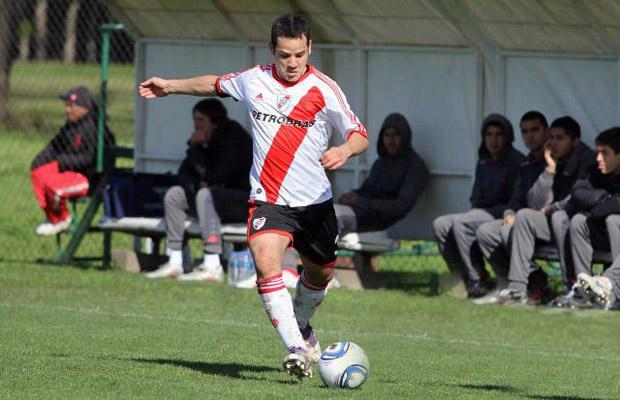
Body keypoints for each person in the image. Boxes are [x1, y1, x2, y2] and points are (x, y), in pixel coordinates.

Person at [139, 14, 368, 380]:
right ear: (272, 51)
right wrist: (171, 86)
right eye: (284, 55)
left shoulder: (325, 90)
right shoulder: (254, 80)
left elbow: (359, 134)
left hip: (315, 206)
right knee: (265, 261)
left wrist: (344, 150)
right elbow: (212, 84)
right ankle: (297, 349)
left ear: (309, 48)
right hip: (269, 201)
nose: (292, 63)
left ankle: (303, 323)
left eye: (298, 55)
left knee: (321, 274)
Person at [145, 99, 253, 281]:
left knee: (206, 194)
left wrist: (198, 156)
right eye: (195, 119)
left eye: (201, 119)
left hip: (244, 203)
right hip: (212, 201)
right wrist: (195, 150)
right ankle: (175, 261)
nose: (196, 124)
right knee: (175, 195)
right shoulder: (203, 141)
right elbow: (184, 174)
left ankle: (212, 265)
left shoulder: (233, 137)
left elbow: (218, 176)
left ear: (214, 120)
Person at [498, 116, 595, 304]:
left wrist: (550, 209)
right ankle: (517, 288)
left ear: (575, 141)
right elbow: (533, 203)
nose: (553, 143)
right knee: (524, 216)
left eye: (560, 138)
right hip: (554, 222)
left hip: (583, 224)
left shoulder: (588, 160)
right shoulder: (551, 159)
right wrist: (549, 169)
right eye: (551, 137)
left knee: (559, 217)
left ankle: (572, 286)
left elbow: (578, 198)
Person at [433, 113, 525, 298]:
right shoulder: (483, 161)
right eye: (489, 135)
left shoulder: (517, 161)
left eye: (498, 134)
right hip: (481, 211)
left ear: (508, 137)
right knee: (441, 224)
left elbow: (515, 201)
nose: (494, 140)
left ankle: (479, 279)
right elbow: (476, 197)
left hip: (503, 213)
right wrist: (479, 207)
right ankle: (460, 278)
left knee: (462, 223)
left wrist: (487, 208)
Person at [474, 111, 549, 304]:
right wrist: (509, 212)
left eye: (535, 130)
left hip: (547, 223)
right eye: (525, 131)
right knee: (486, 231)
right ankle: (505, 283)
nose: (529, 136)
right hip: (525, 222)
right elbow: (516, 199)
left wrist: (550, 169)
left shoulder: (555, 160)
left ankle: (521, 287)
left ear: (546, 132)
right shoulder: (526, 163)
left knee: (515, 224)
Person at [31, 86, 114, 236]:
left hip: (90, 180)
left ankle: (62, 219)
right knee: (39, 173)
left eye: (71, 106)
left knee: (53, 186)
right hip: (71, 172)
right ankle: (53, 218)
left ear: (84, 108)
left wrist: (62, 162)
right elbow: (54, 146)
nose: (67, 110)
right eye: (66, 105)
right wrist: (38, 162)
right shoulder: (71, 126)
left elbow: (90, 159)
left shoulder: (94, 128)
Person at [556, 127, 620, 309]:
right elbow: (578, 193)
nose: (598, 158)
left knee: (614, 220)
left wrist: (601, 204)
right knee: (578, 220)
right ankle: (583, 289)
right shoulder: (595, 171)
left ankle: (613, 291)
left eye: (604, 153)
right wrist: (604, 198)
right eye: (598, 152)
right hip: (603, 235)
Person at [334, 113, 429, 235]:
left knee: (333, 217)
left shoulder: (415, 166)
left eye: (396, 135)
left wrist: (361, 201)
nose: (391, 141)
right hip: (362, 210)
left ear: (405, 136)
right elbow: (367, 190)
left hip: (379, 219)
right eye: (387, 135)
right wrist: (351, 197)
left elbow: (401, 206)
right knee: (319, 212)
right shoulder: (381, 163)